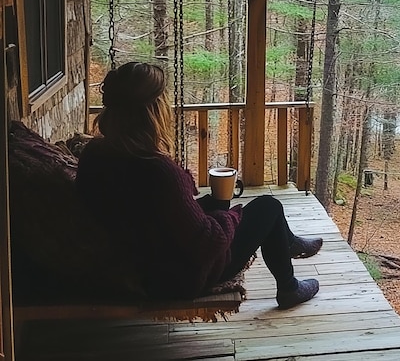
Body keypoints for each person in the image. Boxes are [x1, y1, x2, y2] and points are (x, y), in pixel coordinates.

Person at [75, 61, 322, 309]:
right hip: (176, 277)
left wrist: (209, 205)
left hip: (134, 266)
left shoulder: (95, 155)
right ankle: (289, 286)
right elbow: (209, 243)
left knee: (238, 208)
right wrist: (232, 215)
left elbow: (154, 213)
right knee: (269, 206)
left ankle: (289, 243)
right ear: (152, 112)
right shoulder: (155, 169)